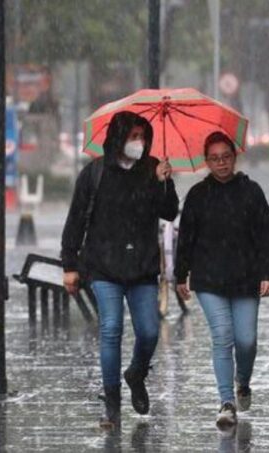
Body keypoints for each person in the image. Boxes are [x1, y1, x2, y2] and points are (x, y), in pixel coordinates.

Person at [61, 111, 178, 429]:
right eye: (132, 136)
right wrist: (69, 265)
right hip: (104, 267)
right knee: (111, 329)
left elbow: (169, 212)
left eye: (142, 137)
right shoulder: (95, 173)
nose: (138, 143)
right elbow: (75, 221)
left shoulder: (152, 170)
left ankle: (136, 374)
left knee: (150, 332)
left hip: (141, 268)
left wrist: (165, 182)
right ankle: (112, 404)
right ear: (117, 137)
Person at [174, 131, 269, 429]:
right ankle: (226, 402)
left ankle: (242, 381)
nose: (221, 163)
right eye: (214, 158)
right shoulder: (197, 195)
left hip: (246, 279)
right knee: (223, 337)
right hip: (209, 280)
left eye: (226, 157)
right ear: (206, 161)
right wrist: (180, 275)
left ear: (234, 157)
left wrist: (267, 273)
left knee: (246, 341)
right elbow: (186, 240)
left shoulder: (251, 191)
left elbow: (266, 236)